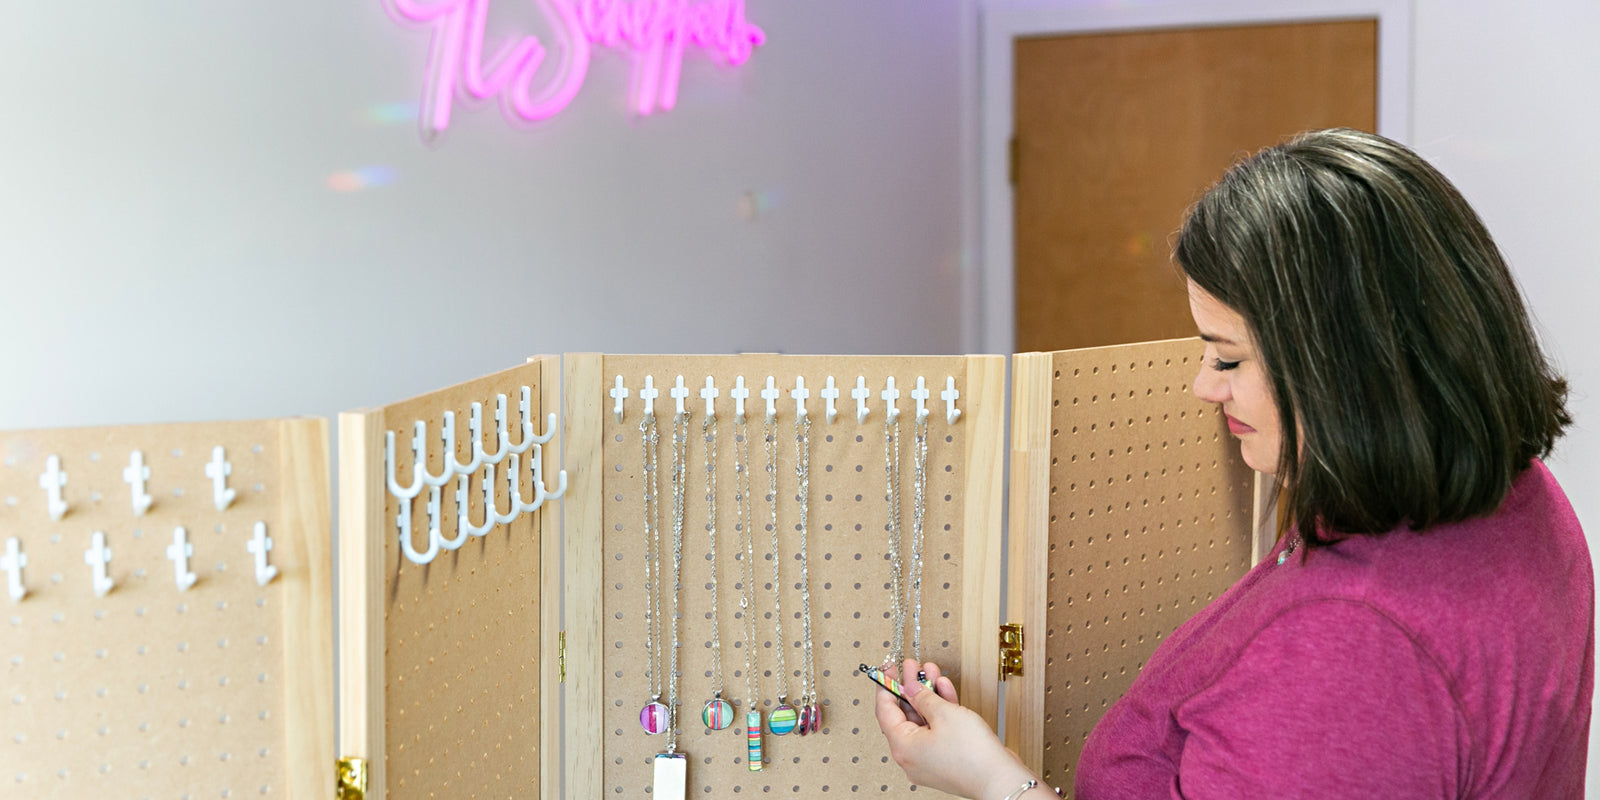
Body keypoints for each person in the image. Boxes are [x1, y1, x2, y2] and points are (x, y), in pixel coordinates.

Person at [875, 128, 1592, 798]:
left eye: (1228, 357)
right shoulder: (1518, 494)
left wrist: (993, 781)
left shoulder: (1352, 652)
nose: (1203, 386)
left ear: (1341, 368)